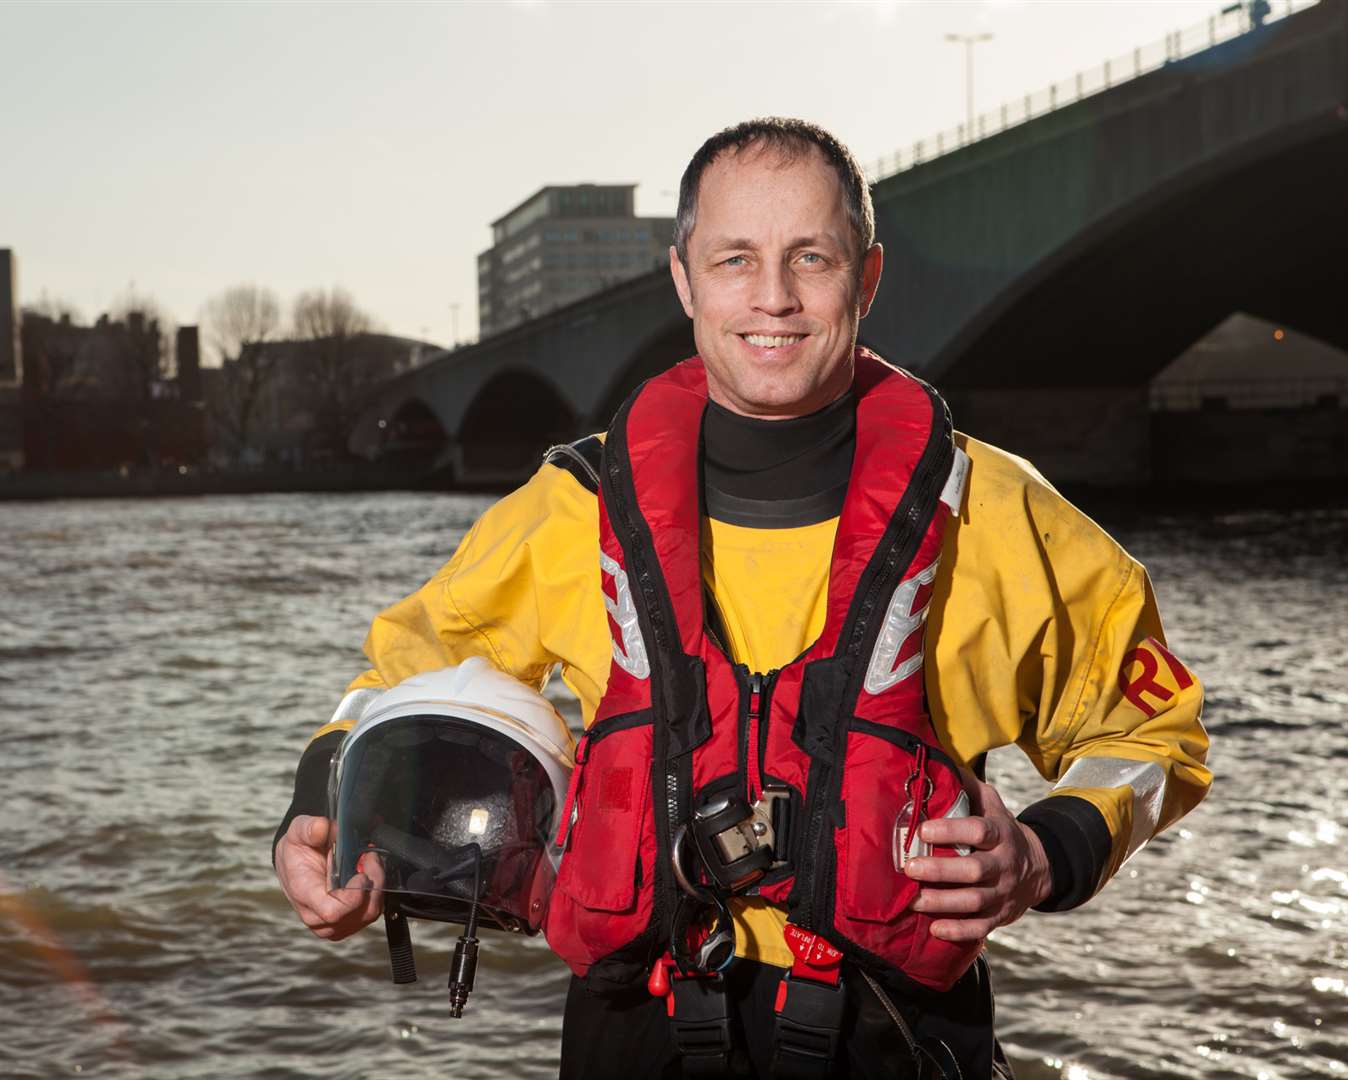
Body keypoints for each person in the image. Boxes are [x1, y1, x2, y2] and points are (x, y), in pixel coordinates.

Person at [274, 117, 1211, 1078]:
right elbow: (403, 671)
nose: (774, 297)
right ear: (683, 279)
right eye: (734, 260)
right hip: (634, 1033)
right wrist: (320, 807)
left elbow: (1156, 735)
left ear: (869, 276)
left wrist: (1048, 855)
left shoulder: (997, 512)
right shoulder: (576, 509)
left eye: (812, 256)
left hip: (895, 1035)